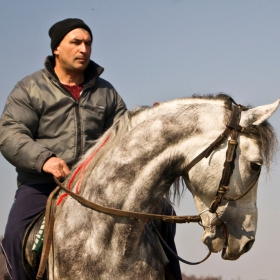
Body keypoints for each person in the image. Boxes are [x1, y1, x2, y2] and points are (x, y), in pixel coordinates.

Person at [0, 18, 181, 280]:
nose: (84, 49)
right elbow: (10, 133)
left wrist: (149, 121)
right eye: (76, 42)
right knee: (16, 236)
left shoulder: (106, 92)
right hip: (44, 184)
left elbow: (123, 135)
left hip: (97, 186)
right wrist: (44, 159)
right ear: (57, 49)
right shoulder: (29, 89)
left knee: (164, 214)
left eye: (88, 43)